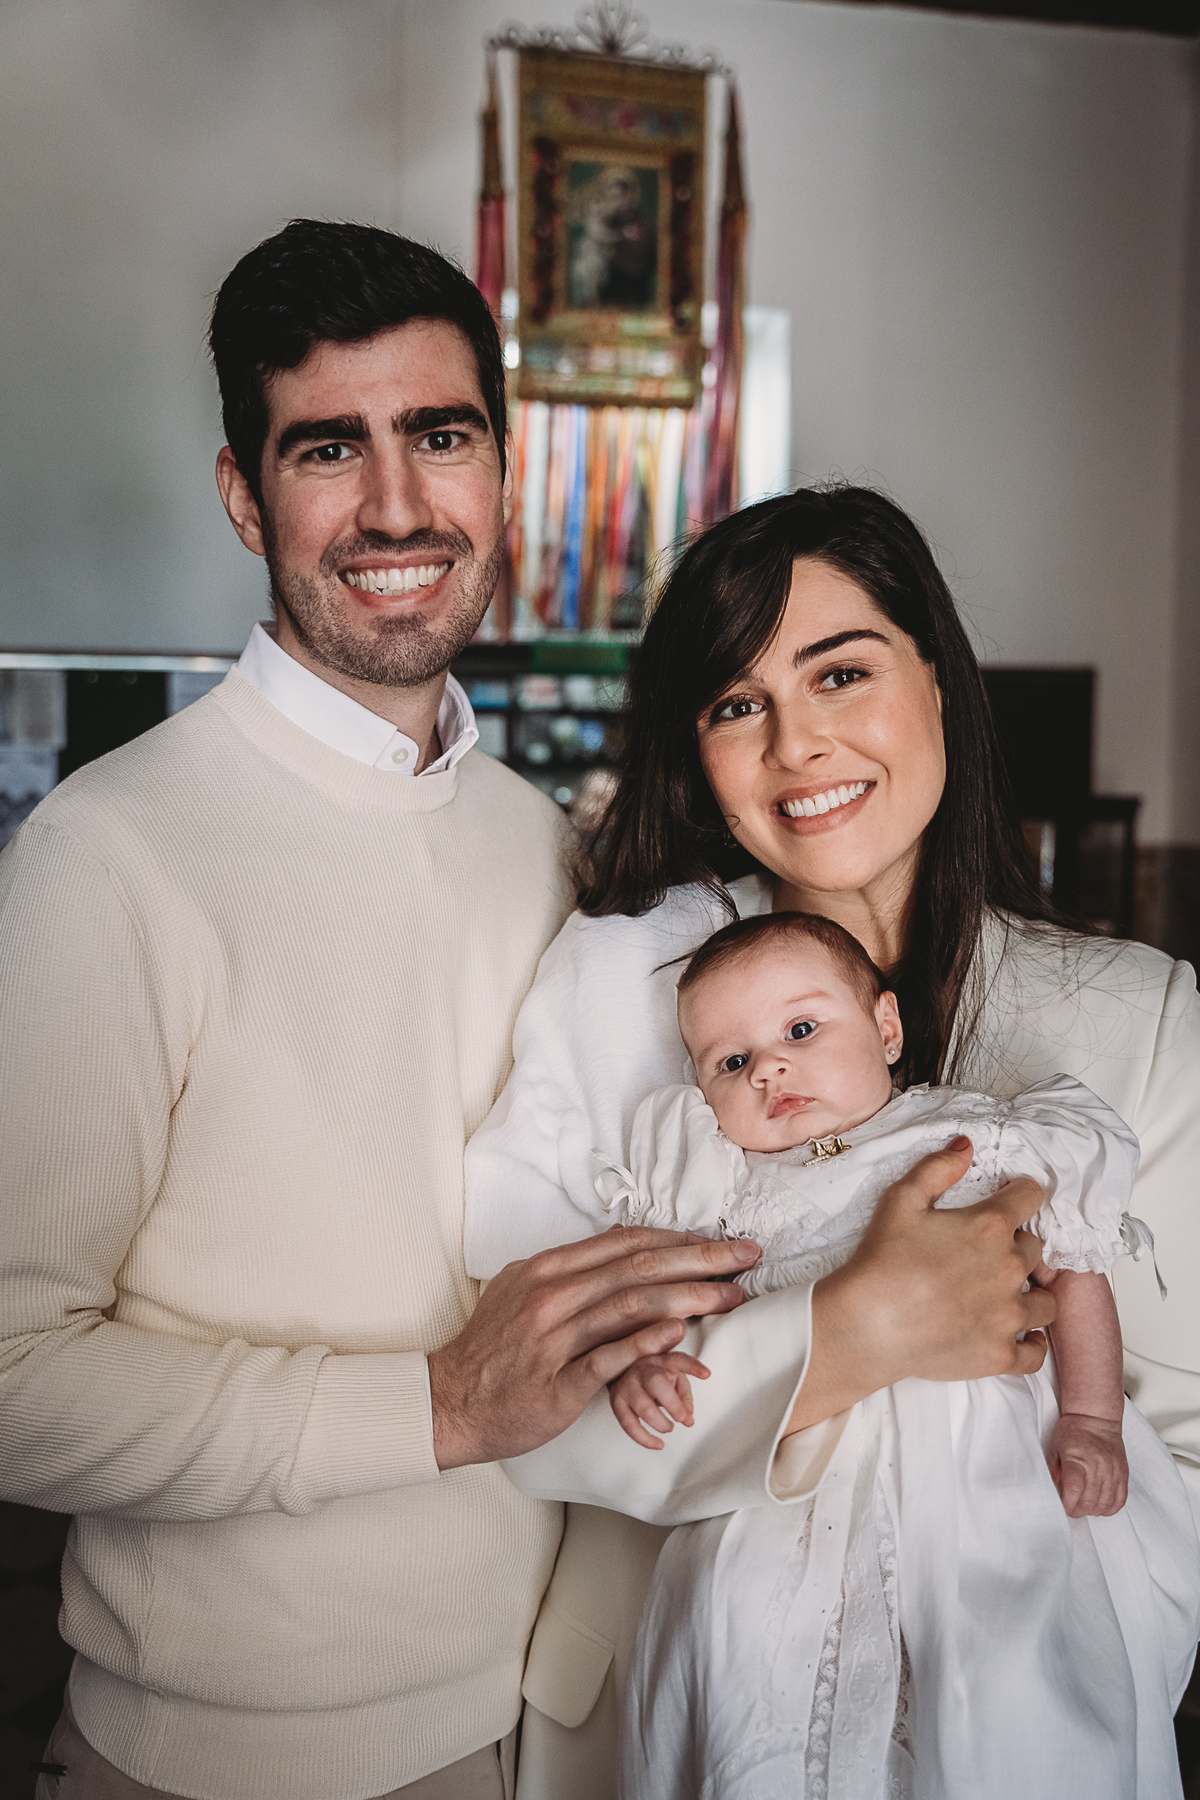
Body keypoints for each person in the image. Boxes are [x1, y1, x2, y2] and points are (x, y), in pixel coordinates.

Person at [0, 219, 768, 1800]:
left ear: (503, 472)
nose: (399, 506)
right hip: (210, 1759)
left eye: (440, 435)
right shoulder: (106, 856)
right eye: (328, 448)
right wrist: (439, 1406)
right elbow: (12, 1381)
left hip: (530, 1729)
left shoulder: (547, 850)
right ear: (244, 495)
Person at [464, 484, 1200, 1800]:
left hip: (1018, 1700)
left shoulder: (1136, 1017)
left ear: (938, 679)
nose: (799, 744)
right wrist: (840, 1339)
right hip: (674, 1688)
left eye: (841, 673)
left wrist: (1059, 1666)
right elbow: (523, 1396)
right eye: (736, 704)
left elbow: (1186, 1442)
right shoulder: (631, 978)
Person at [602, 912, 1198, 1799]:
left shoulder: (970, 1142)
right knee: (755, 1648)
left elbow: (1073, 1272)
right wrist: (649, 1359)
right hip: (797, 1479)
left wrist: (1090, 1418)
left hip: (983, 1457)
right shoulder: (724, 1193)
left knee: (1009, 1663)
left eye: (801, 1029)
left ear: (886, 1029)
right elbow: (684, 1300)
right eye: (730, 1061)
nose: (768, 1069)